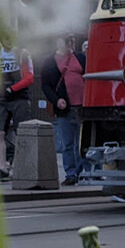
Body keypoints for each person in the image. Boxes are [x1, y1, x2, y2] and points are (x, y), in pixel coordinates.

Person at [0, 34, 34, 180]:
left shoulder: (22, 54)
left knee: (22, 132)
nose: (7, 42)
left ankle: (23, 168)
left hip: (19, 98)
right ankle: (3, 169)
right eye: (4, 39)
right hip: (1, 97)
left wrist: (12, 89)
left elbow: (29, 78)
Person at [42, 36, 86, 185]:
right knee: (68, 143)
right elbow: (46, 85)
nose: (67, 44)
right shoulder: (50, 62)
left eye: (69, 41)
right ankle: (71, 173)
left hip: (82, 106)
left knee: (82, 142)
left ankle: (83, 171)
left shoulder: (80, 58)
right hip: (65, 108)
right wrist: (56, 100)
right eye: (64, 41)